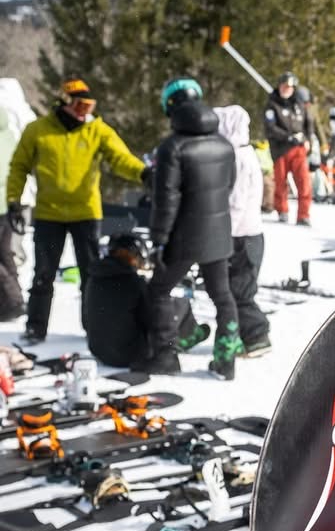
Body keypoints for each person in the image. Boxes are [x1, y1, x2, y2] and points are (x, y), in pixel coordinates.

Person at [5, 78, 147, 344]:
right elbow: (19, 166)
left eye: (89, 106)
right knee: (43, 274)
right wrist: (14, 200)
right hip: (49, 215)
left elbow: (120, 158)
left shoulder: (97, 130)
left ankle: (92, 326)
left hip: (86, 214)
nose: (85, 112)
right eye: (80, 106)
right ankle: (36, 327)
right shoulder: (38, 130)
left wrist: (143, 173)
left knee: (90, 274)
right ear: (64, 102)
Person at [136, 78, 241, 380]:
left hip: (184, 236)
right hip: (219, 232)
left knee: (159, 290)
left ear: (171, 107)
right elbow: (228, 185)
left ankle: (165, 355)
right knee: (223, 296)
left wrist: (159, 240)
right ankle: (226, 360)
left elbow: (166, 200)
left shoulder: (172, 147)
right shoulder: (224, 144)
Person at [82, 234, 205, 368]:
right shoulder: (133, 282)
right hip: (130, 355)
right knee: (178, 304)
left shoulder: (93, 278)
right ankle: (186, 337)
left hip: (99, 352)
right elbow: (153, 318)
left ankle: (183, 337)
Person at [214, 104, 270, 358]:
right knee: (237, 288)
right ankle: (242, 336)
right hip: (247, 234)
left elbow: (236, 203)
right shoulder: (244, 154)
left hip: (242, 235)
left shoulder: (238, 158)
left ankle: (257, 336)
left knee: (240, 291)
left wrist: (224, 236)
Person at [264, 71, 314, 226]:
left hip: (298, 149)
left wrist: (307, 140)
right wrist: (288, 137)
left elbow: (308, 124)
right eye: (284, 86)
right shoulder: (272, 105)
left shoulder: (299, 104)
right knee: (280, 182)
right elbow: (270, 128)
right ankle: (282, 210)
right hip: (281, 149)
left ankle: (303, 215)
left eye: (289, 87)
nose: (286, 90)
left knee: (304, 182)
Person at [0, 106, 24, 321]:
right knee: (5, 254)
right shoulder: (6, 132)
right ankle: (13, 302)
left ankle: (12, 303)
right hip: (7, 203)